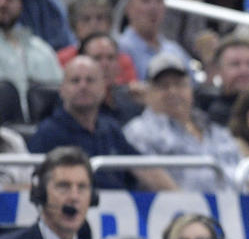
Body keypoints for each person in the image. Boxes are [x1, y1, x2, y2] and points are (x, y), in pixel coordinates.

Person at [29, 56, 176, 191]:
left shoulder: (111, 129)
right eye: (75, 80)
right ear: (62, 89)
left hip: (121, 210)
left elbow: (145, 169)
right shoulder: (47, 133)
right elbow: (33, 182)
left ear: (103, 88)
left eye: (90, 80)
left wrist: (181, 198)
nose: (83, 86)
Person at [123, 52, 243, 192]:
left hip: (236, 207)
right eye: (163, 86)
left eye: (179, 84)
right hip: (180, 209)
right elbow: (153, 178)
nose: (173, 91)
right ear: (148, 92)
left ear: (191, 89)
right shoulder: (138, 132)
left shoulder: (215, 130)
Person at [0, 146, 110, 239]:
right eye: (63, 186)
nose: (74, 197)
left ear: (92, 198)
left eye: (82, 187)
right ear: (41, 194)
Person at [116, 0, 192, 81]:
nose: (153, 7)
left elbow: (195, 89)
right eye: (145, 0)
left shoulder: (175, 49)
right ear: (128, 8)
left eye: (159, 0)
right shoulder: (118, 49)